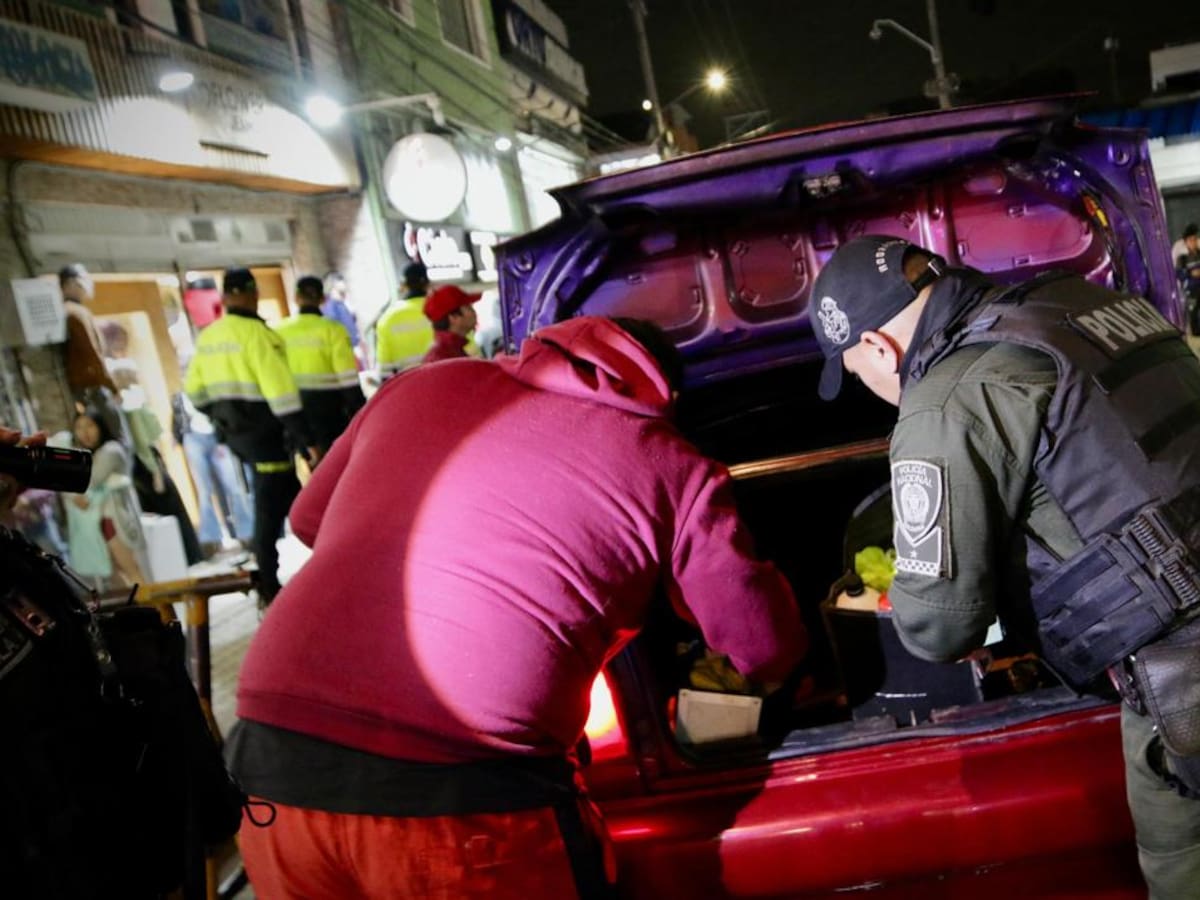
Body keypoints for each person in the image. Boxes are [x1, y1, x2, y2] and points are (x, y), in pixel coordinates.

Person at [227, 316, 806, 898]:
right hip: (462, 797)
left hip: (274, 766)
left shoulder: (421, 385)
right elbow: (758, 643)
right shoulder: (671, 464)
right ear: (666, 395)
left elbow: (307, 521)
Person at [808, 234, 1200, 898]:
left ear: (877, 346)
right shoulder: (1087, 304)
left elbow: (940, 627)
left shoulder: (943, 400)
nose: (873, 389)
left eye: (857, 375)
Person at [184, 268, 321, 605]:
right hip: (267, 434)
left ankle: (312, 562)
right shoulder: (260, 336)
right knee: (270, 507)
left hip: (237, 436)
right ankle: (269, 585)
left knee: (288, 494)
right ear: (251, 293)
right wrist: (307, 440)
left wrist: (223, 420)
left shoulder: (209, 337)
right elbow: (282, 394)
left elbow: (195, 391)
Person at [57, 409, 149, 589]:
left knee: (133, 572)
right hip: (100, 523)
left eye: (90, 426)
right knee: (117, 576)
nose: (85, 432)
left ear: (101, 427)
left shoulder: (110, 451)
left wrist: (68, 489)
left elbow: (90, 479)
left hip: (116, 520)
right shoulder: (90, 455)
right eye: (79, 427)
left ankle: (159, 613)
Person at [273, 276, 365, 455]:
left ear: (296, 298)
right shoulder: (334, 330)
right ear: (322, 298)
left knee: (309, 465)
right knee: (336, 462)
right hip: (329, 410)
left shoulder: (278, 331)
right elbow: (347, 379)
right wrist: (360, 412)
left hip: (294, 409)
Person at [171, 391, 254, 558]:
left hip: (216, 435)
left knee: (233, 486)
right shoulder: (179, 396)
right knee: (204, 491)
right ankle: (211, 539)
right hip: (193, 438)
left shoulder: (208, 388)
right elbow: (177, 419)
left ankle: (246, 533)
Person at [58, 263, 130, 452]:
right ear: (70, 284)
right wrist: (111, 385)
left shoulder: (71, 311)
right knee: (119, 439)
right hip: (93, 387)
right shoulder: (74, 313)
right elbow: (92, 355)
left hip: (85, 387)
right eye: (82, 281)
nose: (87, 286)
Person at [374, 261, 434, 377]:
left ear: (403, 285)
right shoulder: (444, 309)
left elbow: (385, 372)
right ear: (427, 283)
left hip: (409, 388)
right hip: (447, 381)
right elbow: (470, 351)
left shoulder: (387, 319)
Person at [421, 283, 482, 364]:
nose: (474, 312)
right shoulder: (441, 358)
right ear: (453, 317)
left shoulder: (449, 352)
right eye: (469, 307)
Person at [320, 271, 362, 361]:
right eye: (340, 292)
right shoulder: (331, 306)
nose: (344, 295)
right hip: (344, 351)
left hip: (350, 348)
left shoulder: (340, 304)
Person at [1174, 224, 1200, 335]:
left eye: (1195, 239)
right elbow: (1179, 274)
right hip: (1191, 291)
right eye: (1190, 240)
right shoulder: (1183, 259)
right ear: (1186, 242)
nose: (1193, 243)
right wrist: (1190, 273)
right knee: (1194, 313)